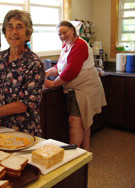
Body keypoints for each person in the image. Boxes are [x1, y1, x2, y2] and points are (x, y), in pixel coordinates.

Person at [44, 21, 106, 151]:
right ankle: (85, 152)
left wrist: (53, 83)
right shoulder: (66, 46)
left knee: (75, 121)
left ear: (73, 30)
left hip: (85, 89)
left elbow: (71, 71)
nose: (62, 36)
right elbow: (60, 65)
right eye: (59, 34)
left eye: (64, 32)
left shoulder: (80, 45)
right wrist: (47, 73)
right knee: (84, 122)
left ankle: (74, 157)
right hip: (77, 89)